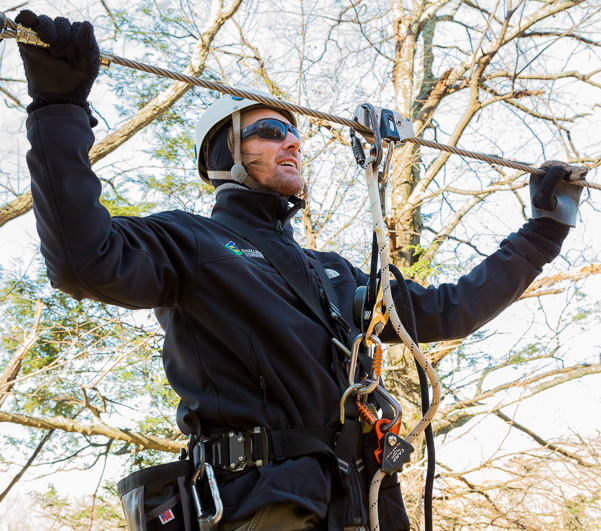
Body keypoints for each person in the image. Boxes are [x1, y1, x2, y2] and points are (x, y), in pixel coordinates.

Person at [15, 10, 587, 531]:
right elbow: (83, 262)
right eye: (269, 131)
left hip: (361, 504)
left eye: (294, 132)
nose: (292, 141)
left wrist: (543, 231)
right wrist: (58, 111)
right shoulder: (190, 241)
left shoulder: (331, 275)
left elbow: (447, 310)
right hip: (265, 505)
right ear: (224, 156)